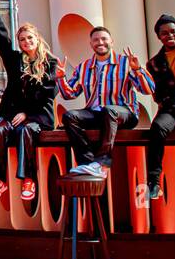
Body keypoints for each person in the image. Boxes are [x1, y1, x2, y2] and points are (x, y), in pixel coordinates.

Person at [0, 0, 59, 201]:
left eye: (29, 38)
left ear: (37, 39)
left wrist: (27, 113)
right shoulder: (15, 60)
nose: (26, 42)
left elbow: (49, 93)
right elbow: (3, 41)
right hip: (11, 112)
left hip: (37, 117)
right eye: (22, 39)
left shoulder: (50, 62)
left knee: (26, 131)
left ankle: (28, 180)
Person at [57, 27, 154, 179]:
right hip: (96, 114)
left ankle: (102, 162)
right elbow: (70, 94)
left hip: (124, 113)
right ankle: (87, 163)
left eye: (104, 39)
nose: (100, 42)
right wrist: (61, 77)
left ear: (111, 42)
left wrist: (138, 70)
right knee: (69, 116)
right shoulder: (84, 67)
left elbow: (148, 89)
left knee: (109, 110)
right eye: (96, 40)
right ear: (91, 44)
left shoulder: (125, 63)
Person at [145, 15, 175, 201]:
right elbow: (160, 96)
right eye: (164, 33)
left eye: (173, 31)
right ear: (159, 37)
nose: (169, 35)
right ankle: (154, 182)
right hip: (173, 107)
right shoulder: (155, 63)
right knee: (157, 128)